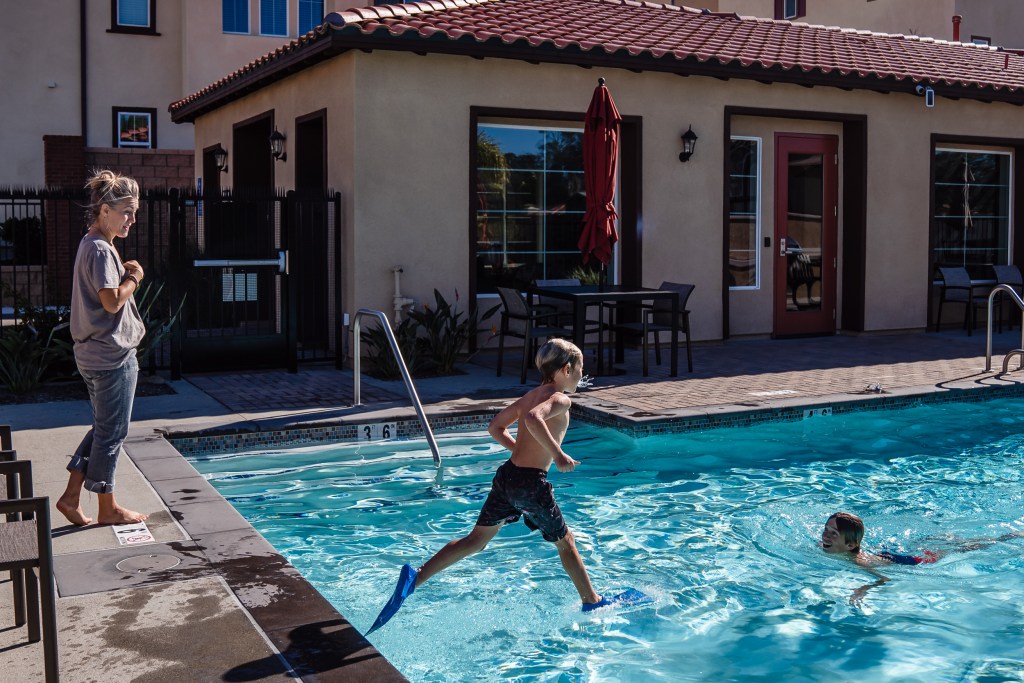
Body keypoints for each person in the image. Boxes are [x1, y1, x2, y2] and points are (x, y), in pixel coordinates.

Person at [367, 339, 645, 635]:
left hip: (508, 476)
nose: (582, 375)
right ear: (566, 369)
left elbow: (495, 427)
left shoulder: (529, 395)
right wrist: (557, 455)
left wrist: (519, 451)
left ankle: (417, 577)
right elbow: (534, 419)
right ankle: (592, 601)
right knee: (566, 543)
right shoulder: (560, 399)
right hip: (530, 483)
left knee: (475, 540)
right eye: (580, 369)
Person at [55, 169, 149, 527]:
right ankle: (108, 509)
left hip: (94, 354)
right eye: (127, 212)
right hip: (111, 356)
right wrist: (134, 277)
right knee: (111, 433)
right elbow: (111, 302)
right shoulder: (98, 249)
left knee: (102, 428)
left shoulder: (93, 244)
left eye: (134, 212)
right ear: (105, 210)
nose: (132, 219)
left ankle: (71, 496)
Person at [821, 511, 1023, 604]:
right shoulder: (832, 547)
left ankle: (1008, 537)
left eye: (833, 534)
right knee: (957, 544)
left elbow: (885, 578)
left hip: (918, 559)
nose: (825, 536)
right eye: (826, 530)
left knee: (967, 548)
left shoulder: (859, 561)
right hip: (892, 552)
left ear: (851, 545)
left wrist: (863, 589)